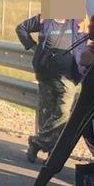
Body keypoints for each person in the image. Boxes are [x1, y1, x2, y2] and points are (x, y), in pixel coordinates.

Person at [16, 12, 80, 162]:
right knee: (46, 113)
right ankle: (50, 150)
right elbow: (21, 28)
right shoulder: (44, 17)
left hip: (68, 76)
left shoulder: (79, 18)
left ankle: (36, 142)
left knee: (63, 112)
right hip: (46, 73)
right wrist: (33, 47)